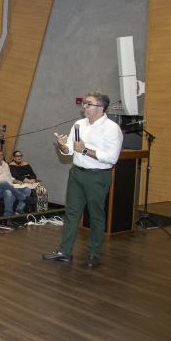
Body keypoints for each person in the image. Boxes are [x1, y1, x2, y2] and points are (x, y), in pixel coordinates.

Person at [44, 93, 123, 269]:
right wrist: (63, 145)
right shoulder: (79, 124)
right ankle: (64, 252)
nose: (84, 106)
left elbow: (111, 158)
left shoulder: (112, 129)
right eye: (84, 103)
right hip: (77, 174)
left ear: (101, 108)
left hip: (97, 176)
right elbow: (70, 150)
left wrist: (85, 150)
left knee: (95, 215)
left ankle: (94, 253)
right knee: (71, 213)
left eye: (89, 103)